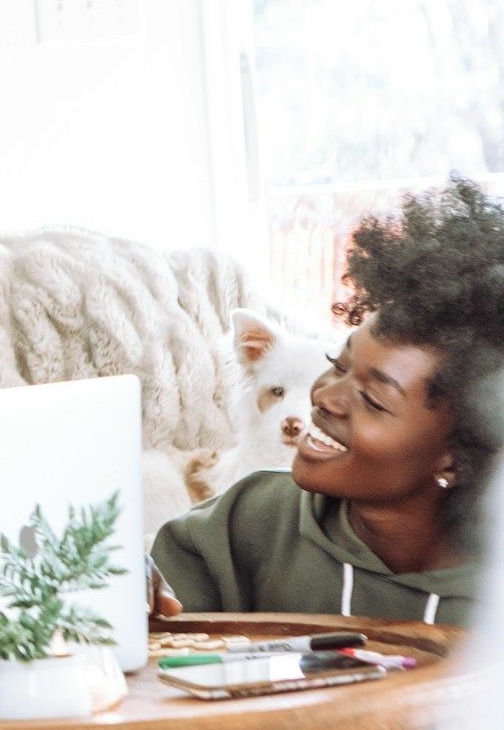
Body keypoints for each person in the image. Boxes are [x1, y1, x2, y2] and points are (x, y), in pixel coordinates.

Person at [152, 179, 504, 627]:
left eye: (373, 400)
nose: (324, 398)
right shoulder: (251, 519)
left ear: (457, 458)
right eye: (339, 364)